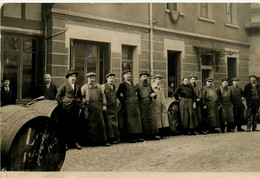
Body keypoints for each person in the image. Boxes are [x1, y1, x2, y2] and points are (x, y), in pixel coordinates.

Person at [81, 72, 110, 146]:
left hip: (98, 107)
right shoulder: (84, 87)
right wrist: (84, 102)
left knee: (101, 125)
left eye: (93, 78)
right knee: (90, 125)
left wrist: (104, 105)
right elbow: (82, 97)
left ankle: (103, 141)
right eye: (90, 78)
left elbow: (103, 96)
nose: (92, 79)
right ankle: (91, 142)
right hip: (89, 109)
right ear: (87, 79)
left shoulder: (99, 86)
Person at [56, 69, 82, 150]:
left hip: (75, 108)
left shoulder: (78, 87)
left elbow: (80, 97)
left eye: (74, 76)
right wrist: (63, 104)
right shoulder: (64, 86)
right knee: (65, 126)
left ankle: (75, 142)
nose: (73, 78)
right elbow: (58, 96)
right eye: (71, 76)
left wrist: (80, 103)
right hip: (66, 108)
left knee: (75, 125)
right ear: (68, 78)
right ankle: (65, 143)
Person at [116, 69, 144, 143]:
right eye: (127, 74)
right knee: (130, 122)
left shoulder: (131, 83)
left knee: (137, 121)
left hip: (135, 104)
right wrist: (124, 102)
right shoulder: (123, 84)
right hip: (128, 105)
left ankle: (137, 136)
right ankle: (130, 137)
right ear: (124, 76)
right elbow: (118, 94)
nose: (129, 75)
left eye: (130, 74)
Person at [135, 71, 160, 140]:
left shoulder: (149, 85)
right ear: (140, 78)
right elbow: (133, 93)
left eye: (146, 76)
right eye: (143, 76)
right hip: (141, 104)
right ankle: (144, 135)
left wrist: (154, 94)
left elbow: (153, 93)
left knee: (152, 119)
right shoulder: (137, 85)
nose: (145, 78)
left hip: (150, 104)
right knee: (143, 120)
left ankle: (153, 135)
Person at [102, 72, 120, 144]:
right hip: (107, 108)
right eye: (110, 78)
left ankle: (114, 138)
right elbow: (102, 96)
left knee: (115, 124)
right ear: (107, 79)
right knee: (108, 124)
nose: (111, 79)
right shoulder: (103, 86)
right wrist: (104, 105)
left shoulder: (115, 87)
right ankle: (109, 139)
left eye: (113, 78)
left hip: (114, 108)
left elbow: (116, 96)